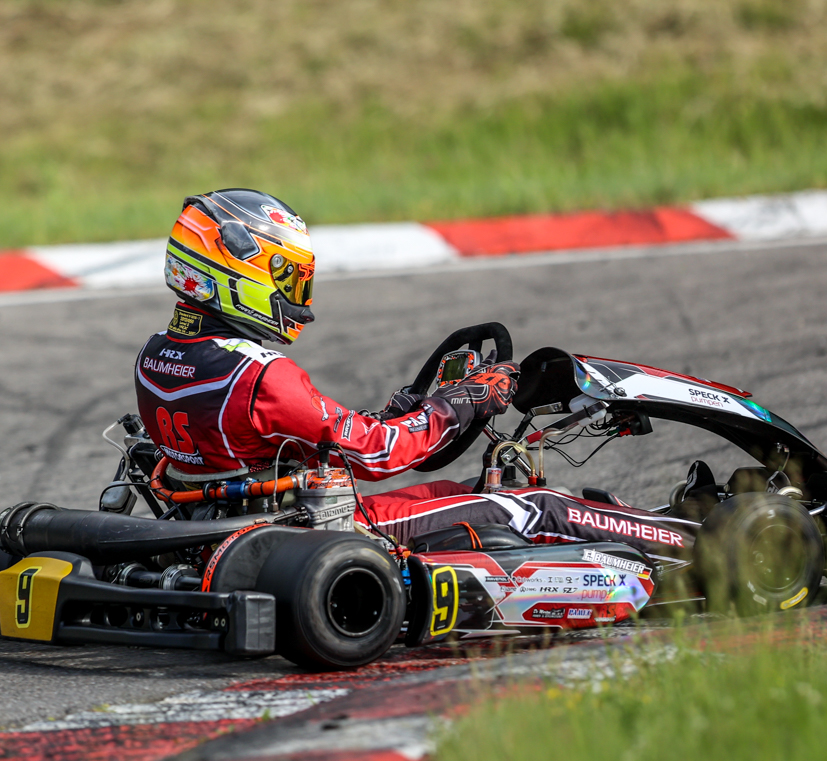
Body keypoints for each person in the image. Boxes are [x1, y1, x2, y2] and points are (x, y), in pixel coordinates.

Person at [136, 188, 699, 559]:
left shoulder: (156, 357)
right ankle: (708, 546)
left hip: (243, 523)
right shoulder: (261, 375)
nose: (294, 297)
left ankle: (644, 525)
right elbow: (379, 455)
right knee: (535, 507)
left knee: (472, 491)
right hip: (322, 536)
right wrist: (465, 401)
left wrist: (393, 415)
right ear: (239, 273)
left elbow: (276, 442)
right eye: (285, 279)